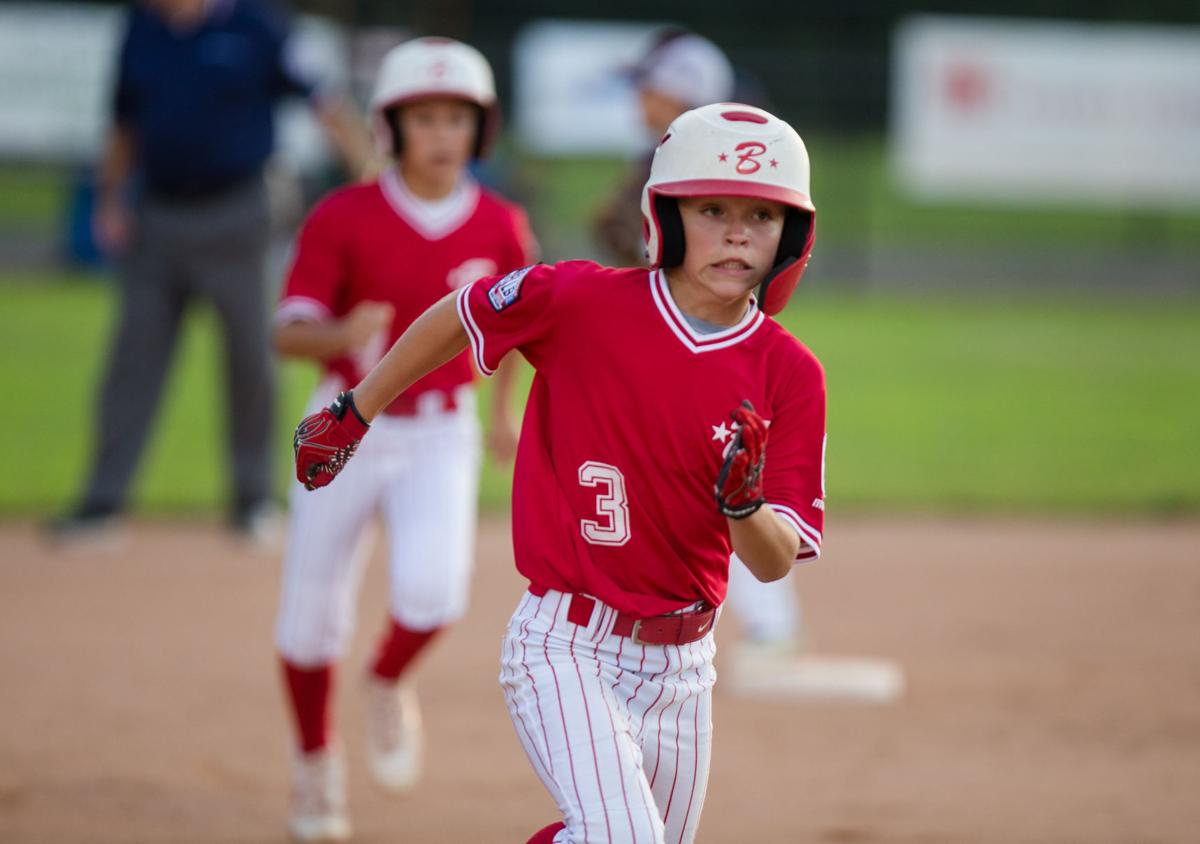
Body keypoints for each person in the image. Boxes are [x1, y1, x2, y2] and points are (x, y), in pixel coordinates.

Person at [294, 102, 825, 843]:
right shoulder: (582, 301)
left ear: (791, 239)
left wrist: (742, 506)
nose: (738, 232)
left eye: (762, 218)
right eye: (712, 209)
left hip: (685, 669)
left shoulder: (790, 375)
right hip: (567, 643)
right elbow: (461, 313)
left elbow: (771, 563)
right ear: (664, 219)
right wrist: (357, 409)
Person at [273, 37, 537, 842]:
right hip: (345, 422)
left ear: (481, 129)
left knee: (434, 595)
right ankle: (316, 766)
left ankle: (386, 683)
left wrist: (501, 415)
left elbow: (525, 327)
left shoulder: (498, 221)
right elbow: (288, 334)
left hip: (441, 433)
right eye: (423, 116)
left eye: (457, 116)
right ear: (391, 126)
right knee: (309, 619)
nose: (441, 133)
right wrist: (339, 333)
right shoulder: (344, 214)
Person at [49, 0, 372, 545]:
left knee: (249, 357)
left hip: (238, 215)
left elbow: (324, 101)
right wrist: (109, 198)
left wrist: (368, 177)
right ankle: (102, 503)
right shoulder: (142, 26)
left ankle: (252, 500)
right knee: (133, 360)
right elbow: (124, 121)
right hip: (157, 212)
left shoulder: (257, 25)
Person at [593, 29, 816, 687]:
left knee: (726, 482)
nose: (639, 96)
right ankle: (767, 623)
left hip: (701, 354)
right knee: (708, 486)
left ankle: (771, 623)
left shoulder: (687, 167)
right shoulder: (665, 160)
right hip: (663, 345)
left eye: (650, 84)